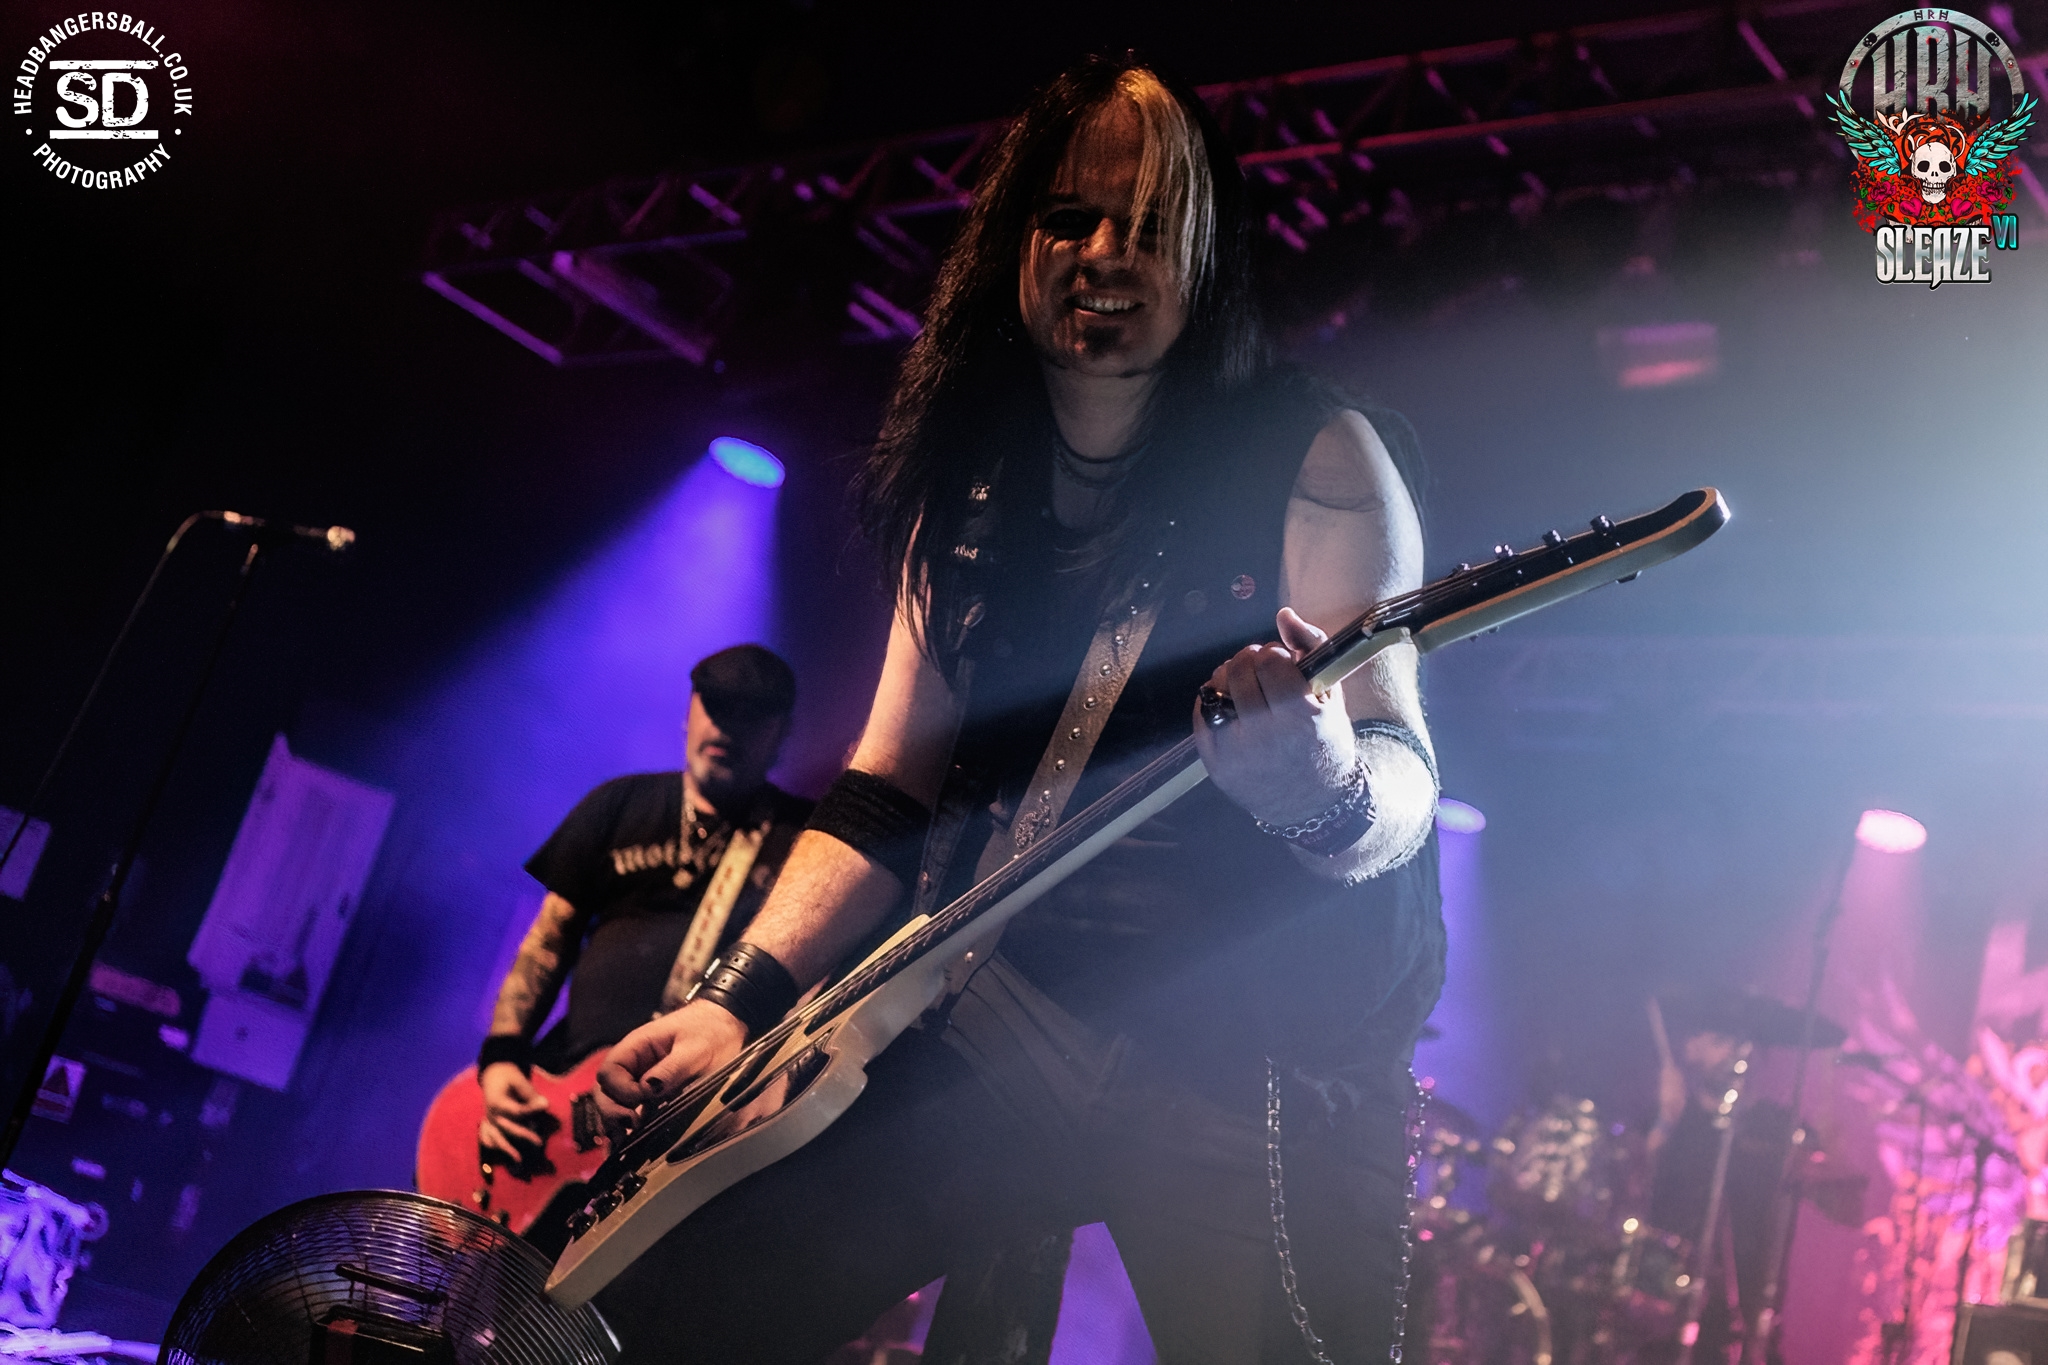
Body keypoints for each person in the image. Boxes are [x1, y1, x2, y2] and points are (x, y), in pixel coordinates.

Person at [595, 56, 1444, 1364]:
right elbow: (886, 789)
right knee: (681, 1298)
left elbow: (1400, 773)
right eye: (1070, 217)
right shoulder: (971, 492)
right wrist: (735, 999)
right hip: (1019, 1009)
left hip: (1258, 1052)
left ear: (1208, 260)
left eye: (1149, 226)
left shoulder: (1315, 454)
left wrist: (1320, 788)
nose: (1106, 252)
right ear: (1014, 247)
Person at [475, 644, 813, 1163]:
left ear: (783, 732)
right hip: (563, 1098)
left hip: (689, 1116)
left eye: (751, 715)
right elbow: (548, 942)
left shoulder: (802, 840)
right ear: (689, 710)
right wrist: (503, 1056)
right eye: (716, 705)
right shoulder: (618, 804)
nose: (727, 727)